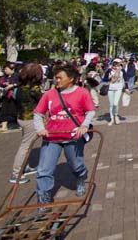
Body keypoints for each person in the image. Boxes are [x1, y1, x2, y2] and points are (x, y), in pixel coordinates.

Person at [34, 62, 95, 210]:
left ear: (72, 79)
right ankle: (44, 198)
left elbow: (90, 111)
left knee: (76, 164)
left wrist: (84, 125)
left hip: (73, 136)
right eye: (56, 78)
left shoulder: (81, 93)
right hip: (52, 136)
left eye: (60, 78)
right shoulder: (50, 94)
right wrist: (40, 128)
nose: (57, 80)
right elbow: (38, 113)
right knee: (44, 169)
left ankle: (81, 177)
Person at [8, 63, 44, 184]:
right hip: (30, 119)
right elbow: (43, 101)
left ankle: (25, 167)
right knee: (25, 146)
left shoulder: (20, 87)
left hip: (21, 118)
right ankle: (16, 173)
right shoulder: (34, 89)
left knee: (25, 144)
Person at [103, 58, 128, 125]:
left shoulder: (122, 70)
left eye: (118, 63)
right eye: (115, 63)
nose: (117, 65)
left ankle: (116, 116)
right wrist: (109, 77)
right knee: (111, 104)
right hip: (110, 88)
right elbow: (104, 79)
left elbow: (125, 79)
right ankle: (112, 118)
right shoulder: (109, 70)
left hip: (118, 88)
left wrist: (126, 87)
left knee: (115, 103)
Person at [0, 62, 19, 131]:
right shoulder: (3, 77)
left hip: (14, 97)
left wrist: (12, 85)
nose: (5, 70)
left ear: (12, 69)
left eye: (6, 69)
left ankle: (16, 123)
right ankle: (4, 126)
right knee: (4, 111)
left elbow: (21, 83)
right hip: (5, 96)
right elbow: (0, 84)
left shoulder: (17, 76)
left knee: (14, 111)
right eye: (4, 69)